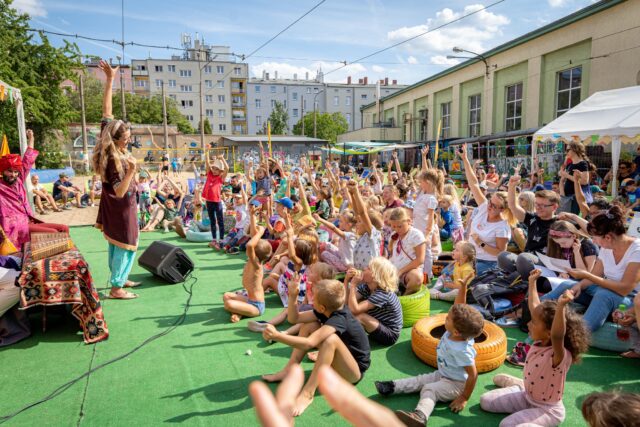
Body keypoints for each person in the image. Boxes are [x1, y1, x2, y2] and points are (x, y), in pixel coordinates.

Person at [480, 269, 590, 427]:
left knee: (507, 425)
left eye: (534, 323)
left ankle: (517, 386)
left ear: (548, 332)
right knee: (486, 401)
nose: (528, 324)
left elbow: (557, 335)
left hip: (548, 410)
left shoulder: (558, 354)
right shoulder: (540, 341)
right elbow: (534, 308)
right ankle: (518, 384)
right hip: (527, 396)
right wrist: (532, 282)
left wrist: (560, 307)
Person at [375, 280, 484, 426]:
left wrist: (464, 397)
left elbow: (473, 374)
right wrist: (463, 287)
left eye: (448, 318)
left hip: (457, 385)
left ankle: (420, 416)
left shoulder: (462, 350)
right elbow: (459, 307)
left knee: (429, 389)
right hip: (444, 374)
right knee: (420, 380)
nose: (445, 317)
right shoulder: (455, 332)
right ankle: (392, 387)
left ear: (457, 331)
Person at [261, 279, 370, 417]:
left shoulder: (340, 318)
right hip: (340, 363)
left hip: (353, 372)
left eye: (314, 299)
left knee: (331, 340)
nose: (311, 300)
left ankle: (308, 393)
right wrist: (293, 296)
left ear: (322, 307)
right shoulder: (326, 310)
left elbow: (309, 343)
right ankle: (288, 370)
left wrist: (277, 336)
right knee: (308, 326)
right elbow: (294, 319)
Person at [542, 206, 640, 332]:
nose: (593, 240)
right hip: (607, 291)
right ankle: (533, 312)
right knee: (567, 285)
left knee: (603, 295)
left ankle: (578, 334)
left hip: (631, 301)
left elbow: (625, 289)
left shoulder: (636, 250)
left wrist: (587, 276)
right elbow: (596, 275)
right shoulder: (607, 246)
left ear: (608, 237)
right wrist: (580, 285)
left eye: (594, 237)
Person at [93, 59, 140, 299]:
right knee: (125, 241)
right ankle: (116, 287)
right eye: (128, 134)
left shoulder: (111, 147)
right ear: (120, 138)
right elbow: (120, 192)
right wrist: (132, 171)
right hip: (121, 206)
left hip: (114, 206)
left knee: (116, 244)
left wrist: (111, 80)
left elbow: (106, 113)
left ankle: (118, 278)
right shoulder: (115, 160)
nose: (130, 136)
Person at [0, 130, 69, 251]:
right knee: (53, 234)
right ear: (2, 171)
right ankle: (42, 264)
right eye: (9, 171)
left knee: (63, 228)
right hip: (14, 228)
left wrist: (31, 138)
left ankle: (57, 263)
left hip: (28, 221)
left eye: (15, 171)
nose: (13, 174)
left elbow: (27, 160)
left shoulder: (19, 180)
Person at [459, 144, 514, 275]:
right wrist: (465, 159)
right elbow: (473, 183)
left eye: (494, 206)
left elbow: (501, 252)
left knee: (468, 284)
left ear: (502, 210)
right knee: (446, 276)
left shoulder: (502, 226)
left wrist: (480, 243)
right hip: (470, 257)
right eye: (490, 202)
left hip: (488, 263)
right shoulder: (484, 207)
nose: (489, 206)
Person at [499, 172, 559, 281]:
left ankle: (520, 280)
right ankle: (520, 277)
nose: (538, 208)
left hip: (545, 265)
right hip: (526, 260)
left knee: (523, 258)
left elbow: (589, 231)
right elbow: (513, 206)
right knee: (503, 256)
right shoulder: (533, 218)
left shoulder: (560, 223)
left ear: (554, 207)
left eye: (543, 205)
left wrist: (574, 217)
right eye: (537, 204)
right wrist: (512, 186)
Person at [222, 205, 272, 322]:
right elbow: (254, 237)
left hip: (256, 306)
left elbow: (250, 244)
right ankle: (240, 312)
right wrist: (252, 215)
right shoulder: (253, 259)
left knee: (228, 304)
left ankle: (240, 312)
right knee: (226, 296)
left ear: (254, 252)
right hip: (248, 298)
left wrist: (261, 232)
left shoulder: (257, 265)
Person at [345, 257, 403, 346]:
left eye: (368, 268)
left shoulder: (383, 293)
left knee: (360, 316)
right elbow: (346, 303)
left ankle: (343, 344)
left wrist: (353, 285)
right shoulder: (366, 287)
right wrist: (346, 281)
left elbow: (354, 310)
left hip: (390, 335)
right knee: (348, 312)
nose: (364, 269)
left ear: (376, 276)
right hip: (377, 325)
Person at [387, 207, 426, 295]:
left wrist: (400, 272)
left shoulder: (416, 235)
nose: (396, 229)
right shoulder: (393, 235)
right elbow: (391, 256)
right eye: (393, 226)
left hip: (409, 272)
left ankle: (404, 297)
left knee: (416, 278)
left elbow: (420, 260)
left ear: (409, 221)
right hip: (394, 270)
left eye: (399, 226)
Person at [202, 153, 229, 246]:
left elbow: (227, 168)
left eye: (216, 169)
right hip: (209, 201)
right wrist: (207, 152)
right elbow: (207, 163)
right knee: (212, 221)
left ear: (220, 171)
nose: (214, 170)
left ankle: (221, 239)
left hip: (217, 202)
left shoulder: (220, 178)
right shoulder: (209, 174)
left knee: (220, 220)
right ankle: (214, 239)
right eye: (213, 168)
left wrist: (222, 158)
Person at [558, 141, 590, 214]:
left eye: (568, 150)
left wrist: (567, 175)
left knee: (573, 219)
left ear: (575, 149)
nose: (566, 152)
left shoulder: (582, 163)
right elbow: (565, 180)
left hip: (576, 197)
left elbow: (585, 181)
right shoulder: (570, 165)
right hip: (567, 197)